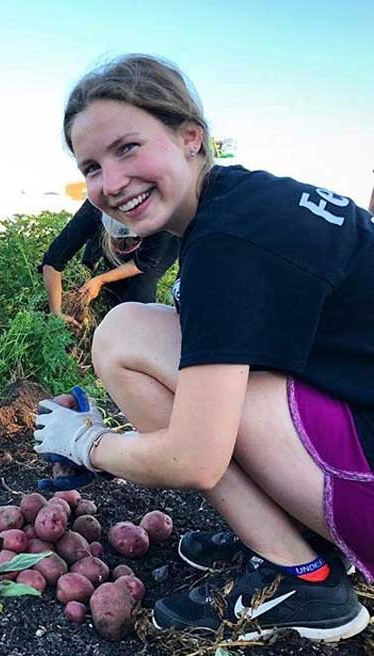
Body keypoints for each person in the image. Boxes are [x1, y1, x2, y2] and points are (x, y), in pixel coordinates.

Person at [33, 54, 373, 642]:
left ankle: (302, 575)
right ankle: (288, 531)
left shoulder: (227, 240)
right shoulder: (247, 201)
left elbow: (193, 458)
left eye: (128, 148)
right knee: (160, 338)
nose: (110, 183)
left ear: (191, 137)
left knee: (124, 335)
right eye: (91, 165)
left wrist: (87, 444)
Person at [41, 200, 178, 328]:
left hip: (165, 237)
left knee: (141, 285)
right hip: (104, 226)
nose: (125, 246)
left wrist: (101, 279)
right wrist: (56, 312)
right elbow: (53, 260)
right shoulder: (93, 209)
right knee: (112, 286)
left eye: (131, 241)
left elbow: (144, 263)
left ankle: (139, 334)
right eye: (120, 241)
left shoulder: (163, 215)